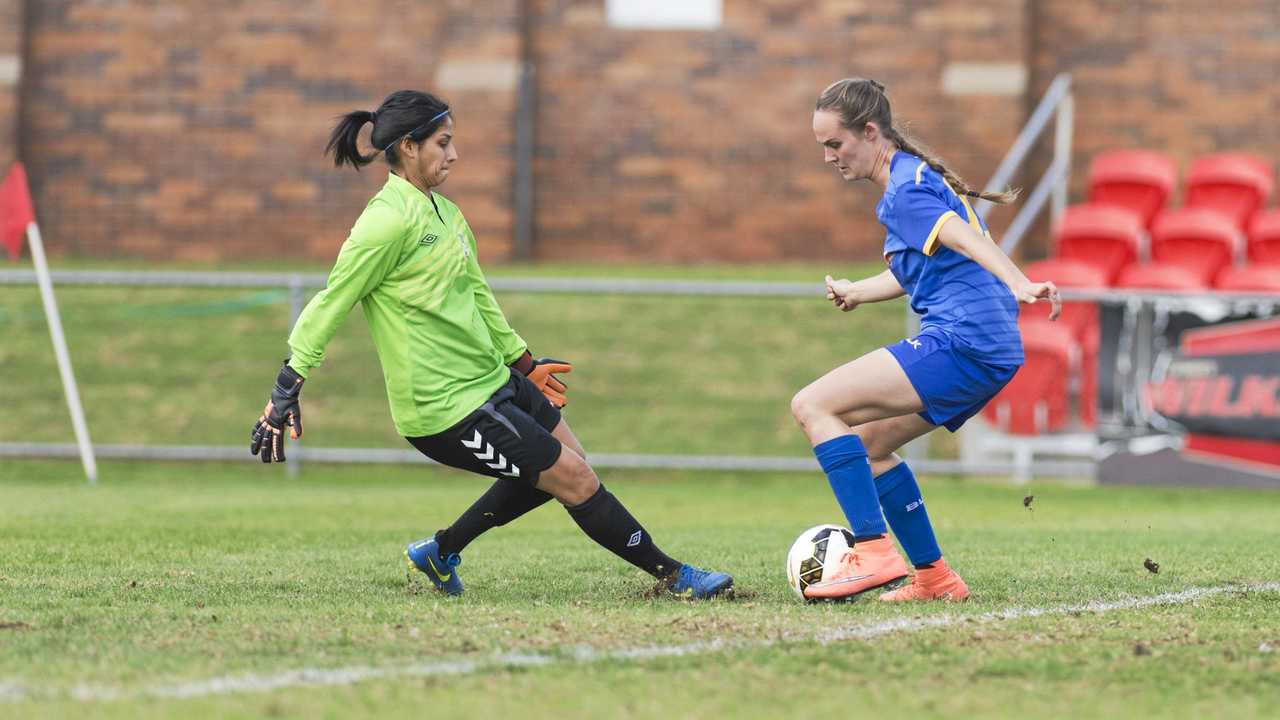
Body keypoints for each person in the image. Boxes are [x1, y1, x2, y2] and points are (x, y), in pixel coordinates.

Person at [249, 90, 732, 600]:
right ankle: (675, 577)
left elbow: (478, 297)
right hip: (445, 405)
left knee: (571, 460)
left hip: (494, 381)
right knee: (574, 481)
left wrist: (524, 364)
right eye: (443, 143)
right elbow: (333, 299)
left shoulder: (445, 214)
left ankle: (441, 551)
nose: (453, 154)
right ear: (409, 148)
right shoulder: (386, 221)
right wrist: (287, 387)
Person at [791, 78, 1061, 602]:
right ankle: (935, 578)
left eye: (834, 144)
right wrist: (858, 292)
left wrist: (1019, 281)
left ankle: (872, 551)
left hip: (964, 340)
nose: (829, 157)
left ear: (869, 132)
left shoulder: (904, 190)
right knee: (869, 447)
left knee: (812, 405)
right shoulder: (913, 177)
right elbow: (922, 265)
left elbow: (960, 236)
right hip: (987, 348)